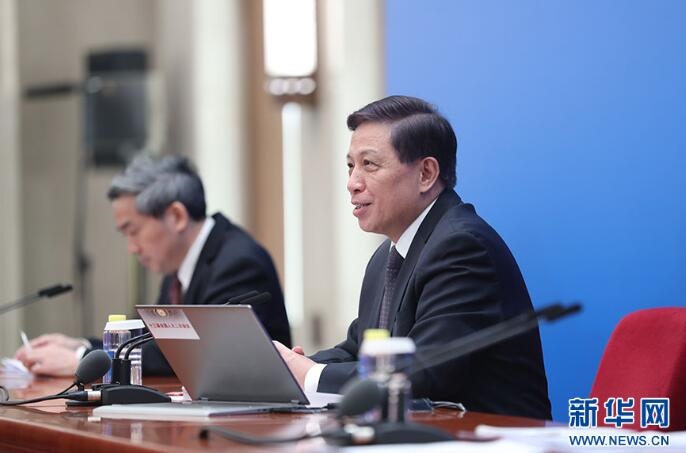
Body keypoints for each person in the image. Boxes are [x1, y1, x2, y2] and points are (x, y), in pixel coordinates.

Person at [275, 95, 551, 419]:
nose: (352, 183)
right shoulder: (386, 256)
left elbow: (424, 372)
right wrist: (288, 368)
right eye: (350, 166)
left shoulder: (462, 248)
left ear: (426, 174)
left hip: (493, 438)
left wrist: (310, 375)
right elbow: (359, 350)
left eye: (369, 164)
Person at [16, 155, 291, 376]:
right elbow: (155, 344)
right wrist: (84, 345)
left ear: (176, 216)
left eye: (133, 231)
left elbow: (196, 355)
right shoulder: (178, 266)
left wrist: (81, 360)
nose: (132, 248)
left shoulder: (239, 262)